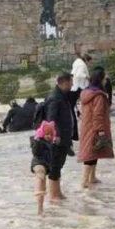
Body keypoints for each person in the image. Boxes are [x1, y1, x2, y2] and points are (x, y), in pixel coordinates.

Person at [43, 73, 77, 203]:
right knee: (54, 166)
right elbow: (51, 120)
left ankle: (57, 192)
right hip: (57, 139)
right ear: (64, 82)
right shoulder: (55, 97)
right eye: (71, 82)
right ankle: (53, 195)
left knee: (58, 166)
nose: (72, 84)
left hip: (63, 138)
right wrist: (55, 136)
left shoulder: (62, 96)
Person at [78, 69, 115, 188]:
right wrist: (101, 130)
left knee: (94, 152)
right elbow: (98, 115)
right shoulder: (98, 96)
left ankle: (92, 177)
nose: (106, 81)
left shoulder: (86, 93)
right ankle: (85, 180)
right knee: (90, 153)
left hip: (86, 126)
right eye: (105, 78)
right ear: (101, 79)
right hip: (94, 127)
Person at [32, 120, 61, 215]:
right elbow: (35, 152)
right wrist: (36, 139)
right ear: (42, 133)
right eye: (46, 134)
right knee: (39, 175)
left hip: (46, 167)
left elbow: (53, 155)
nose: (48, 136)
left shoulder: (50, 144)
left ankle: (40, 209)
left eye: (50, 134)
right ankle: (37, 190)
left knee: (43, 188)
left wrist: (56, 144)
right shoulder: (39, 141)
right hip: (38, 164)